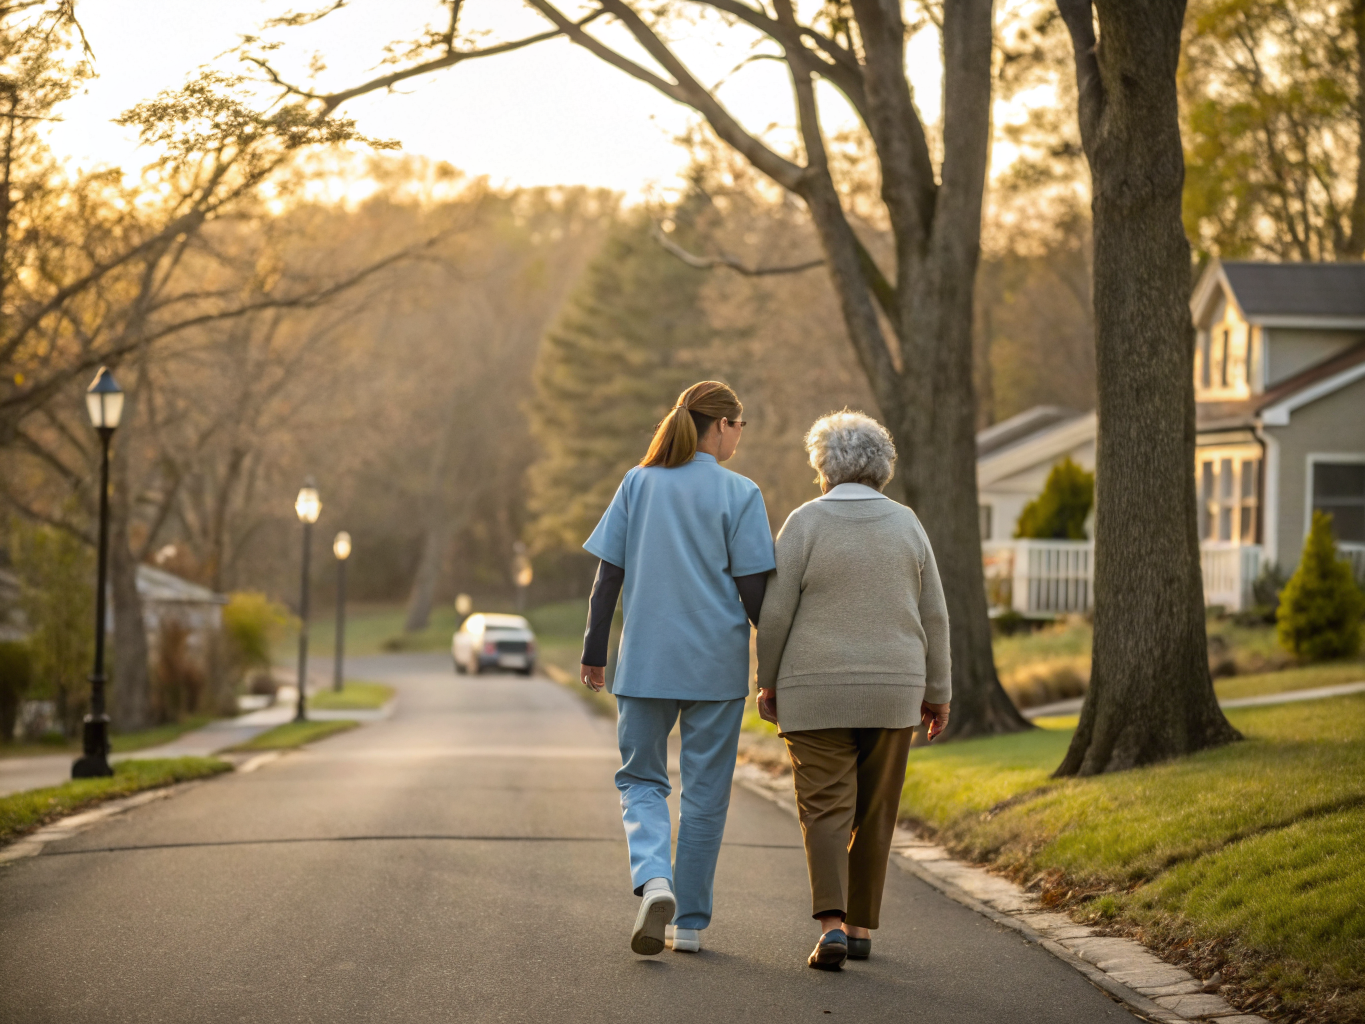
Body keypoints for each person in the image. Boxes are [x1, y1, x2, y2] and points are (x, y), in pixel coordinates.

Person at [580, 381, 774, 957]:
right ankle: (688, 925)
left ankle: (654, 881)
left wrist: (595, 651)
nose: (742, 434)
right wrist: (776, 670)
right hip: (716, 666)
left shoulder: (637, 483)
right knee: (706, 791)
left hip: (646, 661)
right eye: (741, 424)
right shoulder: (742, 493)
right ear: (722, 426)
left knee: (641, 780)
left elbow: (607, 578)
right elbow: (757, 595)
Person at [755, 410, 951, 971]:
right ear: (881, 468)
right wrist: (938, 692)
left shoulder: (803, 523)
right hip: (894, 690)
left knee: (824, 810)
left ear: (824, 467)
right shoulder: (908, 524)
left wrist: (767, 681)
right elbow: (933, 616)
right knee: (877, 809)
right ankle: (862, 927)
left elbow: (775, 615)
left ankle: (832, 926)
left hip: (812, 692)